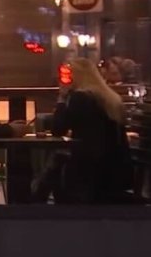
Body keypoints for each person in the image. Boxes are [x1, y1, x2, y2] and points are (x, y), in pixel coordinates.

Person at [50, 58, 134, 204]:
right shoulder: (111, 98)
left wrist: (62, 98)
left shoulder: (80, 97)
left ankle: (32, 205)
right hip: (116, 167)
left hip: (89, 170)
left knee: (55, 164)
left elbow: (58, 129)